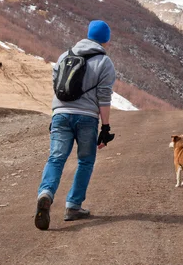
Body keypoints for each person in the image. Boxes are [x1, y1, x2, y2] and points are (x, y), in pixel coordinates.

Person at [34, 20, 116, 230]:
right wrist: (105, 128)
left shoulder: (64, 56)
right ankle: (73, 205)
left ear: (88, 34)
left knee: (56, 158)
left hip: (60, 114)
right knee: (86, 161)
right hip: (86, 118)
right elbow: (104, 97)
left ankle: (46, 193)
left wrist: (57, 115)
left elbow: (57, 86)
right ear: (106, 39)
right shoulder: (104, 62)